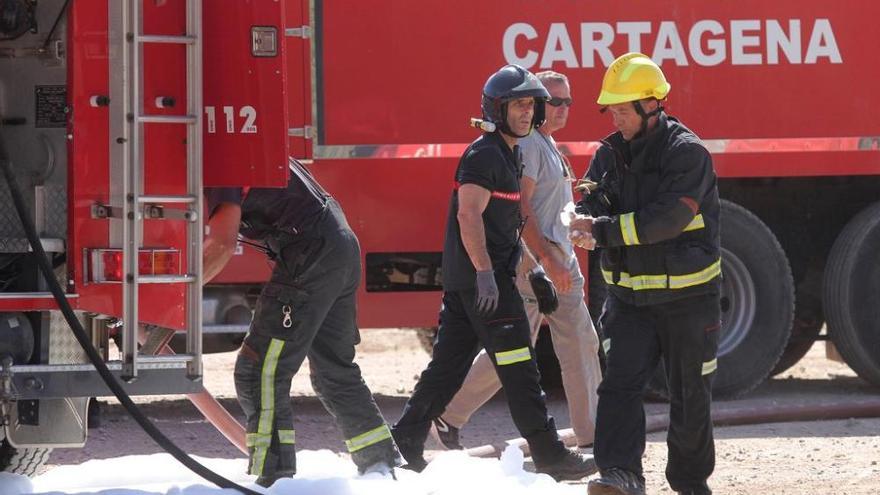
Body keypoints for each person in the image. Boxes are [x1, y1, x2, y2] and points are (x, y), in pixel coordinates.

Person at [390, 64, 596, 482]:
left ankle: (403, 444)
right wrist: (486, 273)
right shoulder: (484, 155)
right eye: (517, 105)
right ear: (496, 110)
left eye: (529, 105)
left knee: (445, 369)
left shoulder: (509, 152)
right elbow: (470, 216)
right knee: (521, 370)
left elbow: (507, 226)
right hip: (486, 286)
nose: (525, 113)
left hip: (484, 281)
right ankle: (551, 454)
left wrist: (532, 268)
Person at [568, 53, 721, 495]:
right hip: (630, 301)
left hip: (688, 301)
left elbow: (666, 219)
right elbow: (591, 195)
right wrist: (579, 215)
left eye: (622, 109)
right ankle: (620, 475)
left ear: (652, 105)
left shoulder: (687, 154)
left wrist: (603, 231)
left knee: (690, 395)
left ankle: (690, 483)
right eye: (610, 109)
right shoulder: (608, 153)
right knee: (618, 387)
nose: (614, 118)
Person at [203, 159, 401, 487]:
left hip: (311, 251)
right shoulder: (250, 145)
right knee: (334, 371)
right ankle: (383, 467)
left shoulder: (222, 157)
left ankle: (274, 480)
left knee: (259, 371)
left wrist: (179, 296)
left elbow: (222, 242)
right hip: (338, 244)